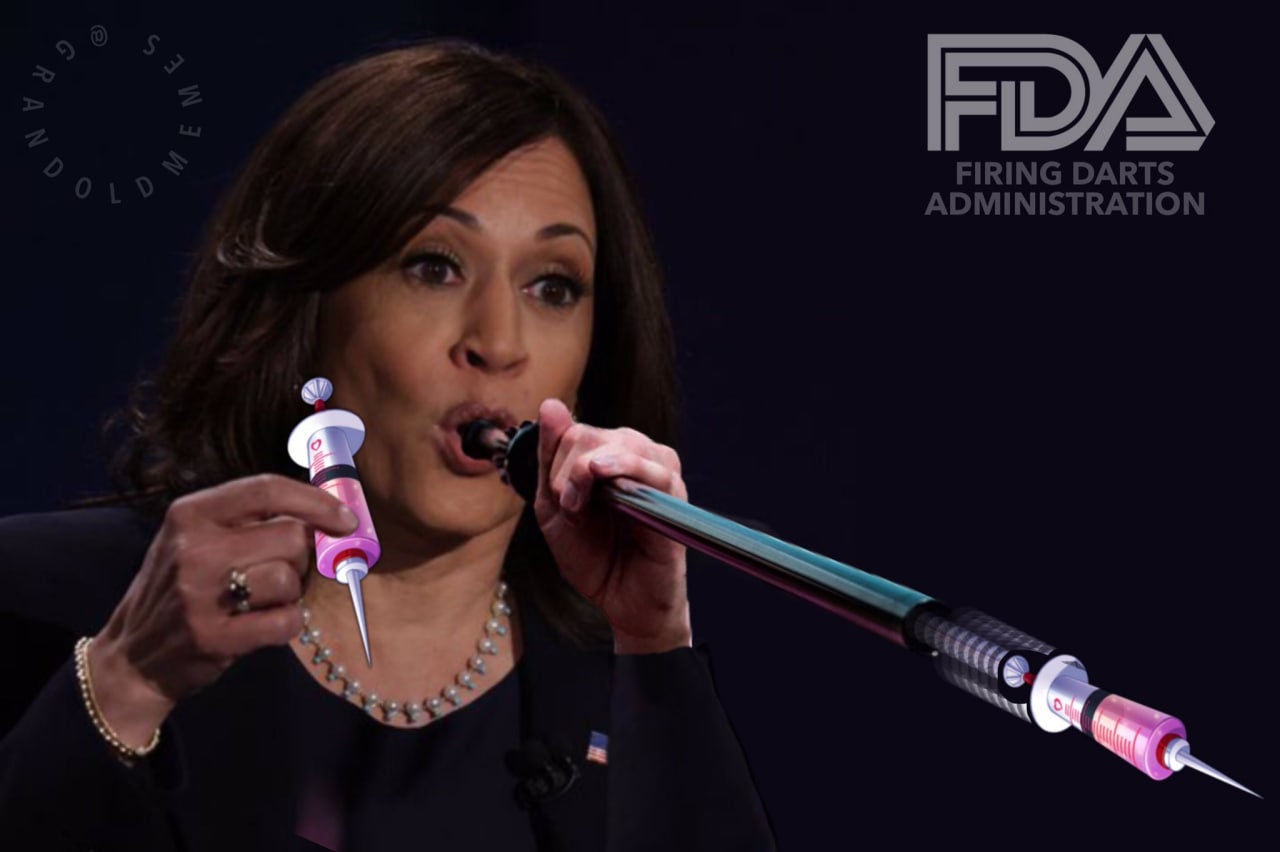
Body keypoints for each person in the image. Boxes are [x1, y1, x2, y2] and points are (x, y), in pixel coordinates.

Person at [0, 39, 777, 851]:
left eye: (553, 286)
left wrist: (655, 644)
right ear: (307, 308)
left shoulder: (624, 686)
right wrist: (125, 683)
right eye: (434, 267)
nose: (498, 342)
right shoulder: (38, 600)